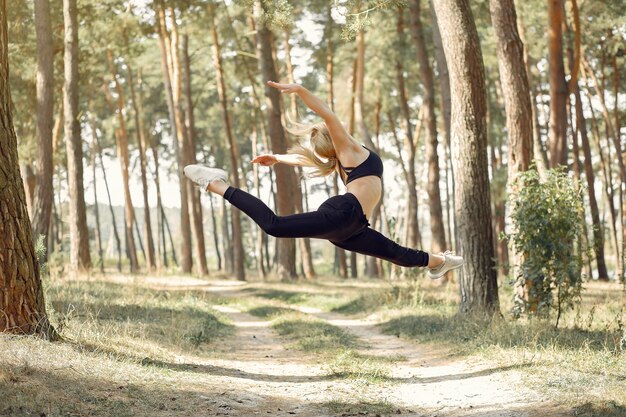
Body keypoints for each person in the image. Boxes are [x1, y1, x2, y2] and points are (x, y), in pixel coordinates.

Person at [184, 81, 463, 278]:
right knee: (274, 225)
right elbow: (311, 159)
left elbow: (328, 116)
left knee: (397, 254)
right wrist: (279, 158)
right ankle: (214, 183)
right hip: (345, 216)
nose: (327, 158)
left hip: (351, 226)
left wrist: (301, 91)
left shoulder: (349, 149)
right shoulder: (342, 158)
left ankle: (441, 261)